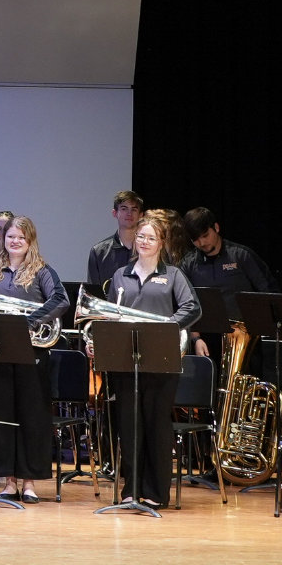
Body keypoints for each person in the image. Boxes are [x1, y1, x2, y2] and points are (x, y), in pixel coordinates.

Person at [102, 211, 199, 509]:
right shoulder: (121, 274)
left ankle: (156, 492)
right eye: (141, 236)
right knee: (129, 427)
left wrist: (166, 326)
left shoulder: (173, 275)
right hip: (127, 362)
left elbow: (192, 307)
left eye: (151, 238)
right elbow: (110, 315)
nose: (144, 241)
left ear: (161, 243)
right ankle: (130, 490)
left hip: (161, 360)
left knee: (156, 427)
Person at [0, 215, 67, 503]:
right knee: (1, 417)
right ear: (2, 238)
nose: (14, 241)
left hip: (32, 354)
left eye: (21, 237)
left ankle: (28, 482)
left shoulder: (42, 270)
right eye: (10, 236)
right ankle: (8, 481)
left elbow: (61, 300)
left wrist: (30, 320)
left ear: (30, 241)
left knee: (30, 417)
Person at [180, 207, 274, 360]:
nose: (202, 242)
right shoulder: (188, 264)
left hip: (244, 339)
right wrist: (196, 339)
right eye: (196, 240)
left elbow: (268, 291)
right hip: (207, 341)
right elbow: (185, 304)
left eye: (205, 235)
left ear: (216, 228)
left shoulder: (241, 255)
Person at [86, 190, 146, 297]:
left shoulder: (150, 249)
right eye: (124, 209)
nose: (129, 213)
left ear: (141, 215)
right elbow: (94, 294)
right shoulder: (98, 251)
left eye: (134, 209)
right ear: (115, 213)